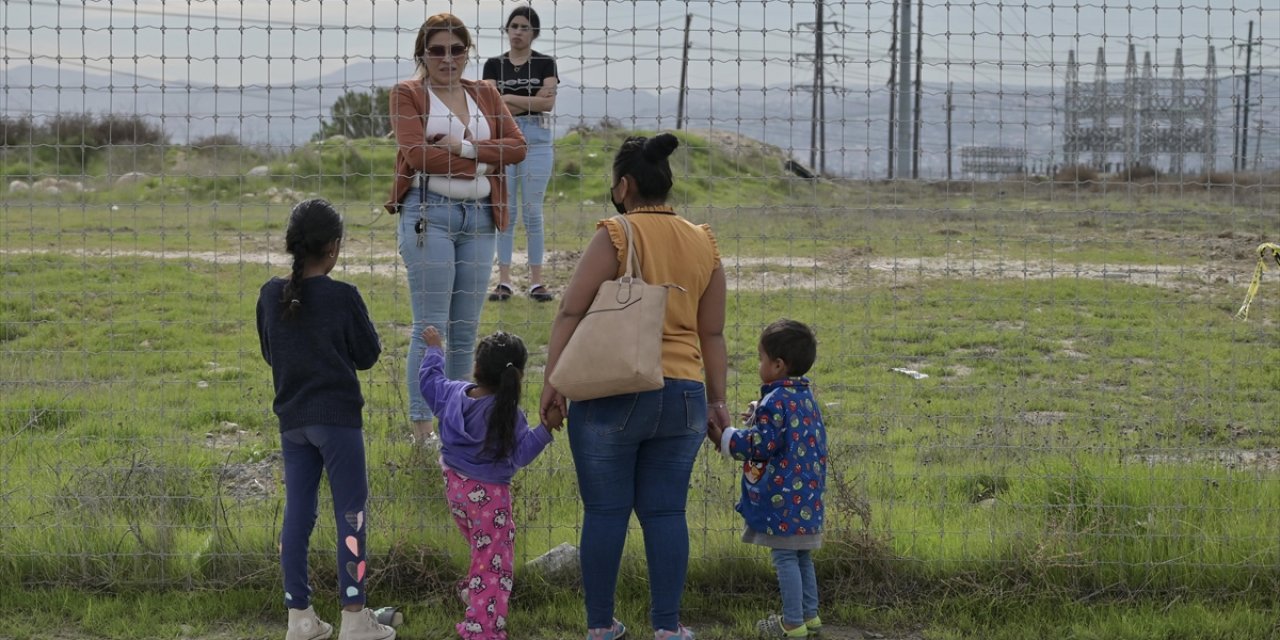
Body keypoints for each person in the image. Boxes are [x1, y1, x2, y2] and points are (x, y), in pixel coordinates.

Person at [540, 133, 730, 640]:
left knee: (605, 512)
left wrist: (554, 381)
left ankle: (601, 627)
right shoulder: (703, 240)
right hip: (685, 395)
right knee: (666, 512)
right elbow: (712, 333)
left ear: (623, 186)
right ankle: (667, 628)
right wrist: (717, 401)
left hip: (614, 389)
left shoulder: (616, 233)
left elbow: (570, 310)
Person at [255, 199, 396, 640]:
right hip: (338, 423)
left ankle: (300, 617)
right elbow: (368, 355)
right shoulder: (343, 297)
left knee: (298, 514)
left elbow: (270, 352)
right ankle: (354, 616)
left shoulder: (269, 295)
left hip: (293, 421)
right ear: (333, 247)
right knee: (351, 515)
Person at [387, 13, 528, 446]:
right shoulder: (407, 94)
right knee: (431, 327)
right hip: (430, 214)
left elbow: (518, 147)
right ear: (422, 54)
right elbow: (417, 155)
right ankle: (423, 431)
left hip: (481, 218)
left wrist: (466, 149)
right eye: (437, 50)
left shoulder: (485, 91)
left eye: (457, 49)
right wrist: (487, 159)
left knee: (466, 328)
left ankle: (456, 426)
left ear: (468, 52)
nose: (447, 58)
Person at [418, 325, 563, 640]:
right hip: (490, 500)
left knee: (481, 551)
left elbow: (428, 382)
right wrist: (547, 428)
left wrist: (434, 350)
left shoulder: (452, 394)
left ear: (477, 366)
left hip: (456, 490)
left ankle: (475, 592)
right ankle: (482, 628)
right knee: (493, 562)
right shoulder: (507, 414)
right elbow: (522, 454)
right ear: (517, 376)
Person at [705, 319, 828, 638]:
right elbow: (785, 431)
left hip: (783, 498)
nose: (758, 364)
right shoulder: (805, 397)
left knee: (784, 556)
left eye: (760, 358)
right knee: (801, 555)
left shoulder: (775, 401)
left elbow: (762, 444)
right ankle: (810, 615)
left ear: (777, 365)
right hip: (808, 496)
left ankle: (792, 623)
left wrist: (726, 438)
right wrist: (759, 412)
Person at [483, 5, 559, 303]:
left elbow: (547, 104)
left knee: (532, 211)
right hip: (504, 139)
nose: (518, 32)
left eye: (524, 27)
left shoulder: (545, 63)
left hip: (537, 141)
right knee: (506, 210)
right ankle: (504, 281)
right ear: (507, 29)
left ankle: (537, 282)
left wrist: (507, 97)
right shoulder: (493, 65)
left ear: (534, 32)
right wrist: (530, 99)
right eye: (514, 26)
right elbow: (491, 106)